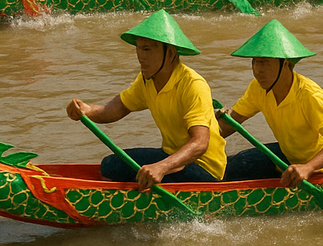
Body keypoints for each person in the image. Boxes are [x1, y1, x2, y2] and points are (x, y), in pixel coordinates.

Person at [66, 11, 226, 186]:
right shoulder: (146, 80)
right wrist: (86, 110)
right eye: (139, 48)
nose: (141, 57)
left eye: (147, 49)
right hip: (172, 156)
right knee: (110, 166)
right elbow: (116, 109)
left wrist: (161, 167)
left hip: (204, 167)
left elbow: (200, 143)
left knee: (127, 171)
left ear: (170, 53)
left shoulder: (193, 85)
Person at [220, 20, 323, 182]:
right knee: (235, 164)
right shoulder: (258, 87)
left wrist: (308, 167)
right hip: (289, 156)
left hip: (319, 168)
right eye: (255, 62)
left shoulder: (309, 95)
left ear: (285, 64)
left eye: (265, 63)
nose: (258, 70)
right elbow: (231, 122)